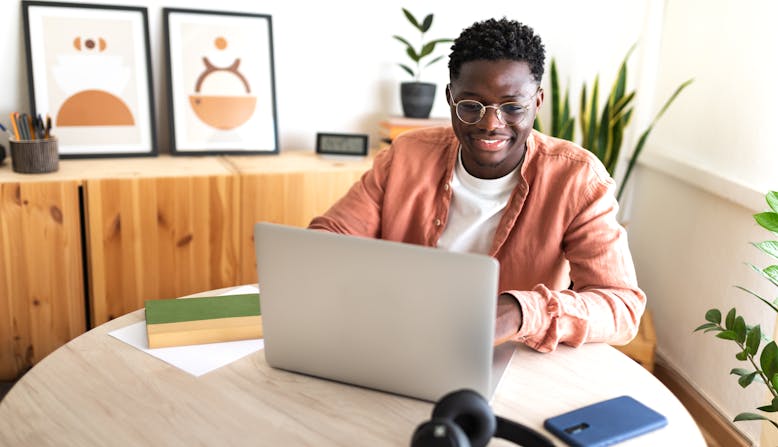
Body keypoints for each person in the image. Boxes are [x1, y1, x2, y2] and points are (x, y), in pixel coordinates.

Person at [309, 18, 646, 353]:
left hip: (507, 356)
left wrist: (518, 312)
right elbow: (331, 236)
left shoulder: (577, 179)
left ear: (538, 102)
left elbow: (622, 307)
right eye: (471, 106)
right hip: (397, 337)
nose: (490, 124)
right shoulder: (406, 156)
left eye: (512, 107)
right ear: (450, 98)